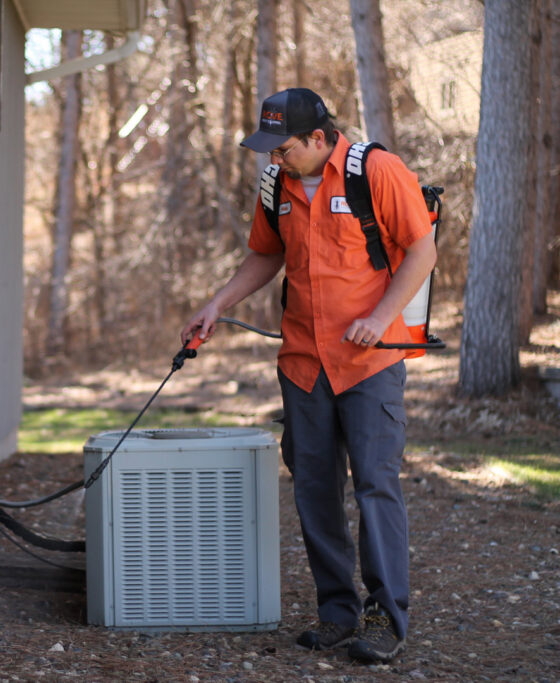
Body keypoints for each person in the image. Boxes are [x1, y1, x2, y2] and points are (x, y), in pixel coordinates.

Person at [181, 88, 436, 663]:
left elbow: (422, 252)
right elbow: (265, 255)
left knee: (375, 485)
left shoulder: (377, 171)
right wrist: (217, 304)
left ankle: (385, 617)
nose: (275, 159)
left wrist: (378, 316)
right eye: (269, 150)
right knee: (316, 489)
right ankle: (338, 612)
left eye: (285, 148)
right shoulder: (278, 186)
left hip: (369, 362)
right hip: (302, 362)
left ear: (318, 138)